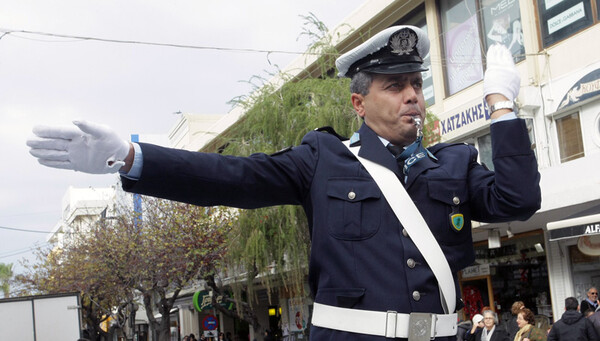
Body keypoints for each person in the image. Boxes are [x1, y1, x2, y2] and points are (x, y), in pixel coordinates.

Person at [26, 25, 541, 340]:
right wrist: (131, 158)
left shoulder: (452, 163)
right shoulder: (324, 158)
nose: (412, 96)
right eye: (394, 86)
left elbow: (519, 198)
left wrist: (502, 104)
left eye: (416, 84)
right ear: (359, 103)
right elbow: (234, 178)